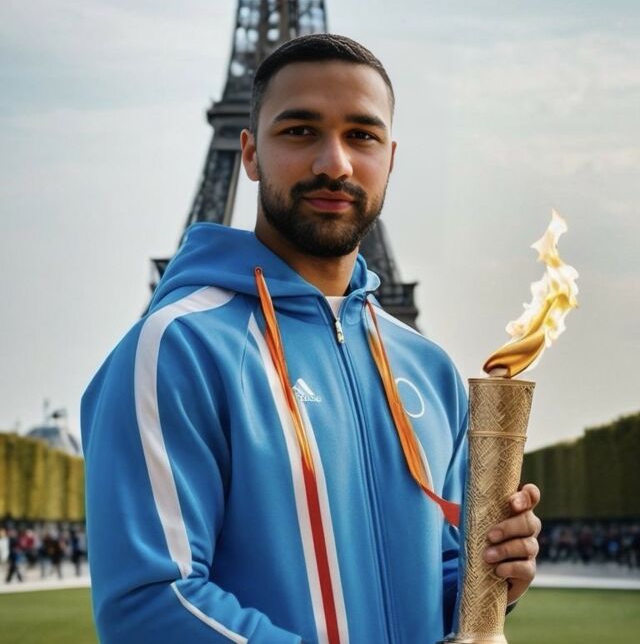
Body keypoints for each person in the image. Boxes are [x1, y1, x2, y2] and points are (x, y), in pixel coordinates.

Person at [82, 34, 541, 644]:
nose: (334, 163)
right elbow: (150, 604)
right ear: (250, 153)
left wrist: (494, 578)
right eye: (300, 131)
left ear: (390, 158)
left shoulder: (430, 371)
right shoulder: (175, 350)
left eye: (362, 135)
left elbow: (438, 579)